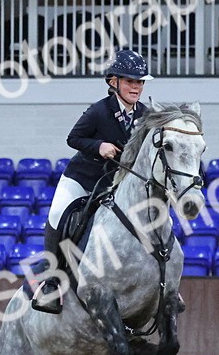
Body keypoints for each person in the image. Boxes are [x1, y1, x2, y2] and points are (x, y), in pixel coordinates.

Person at [31, 49, 152, 313]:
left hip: (116, 185)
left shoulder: (146, 115)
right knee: (57, 214)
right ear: (114, 81)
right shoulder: (99, 111)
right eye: (130, 81)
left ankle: (161, 281)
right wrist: (99, 146)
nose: (136, 87)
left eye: (140, 82)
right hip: (83, 179)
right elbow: (73, 138)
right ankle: (51, 281)